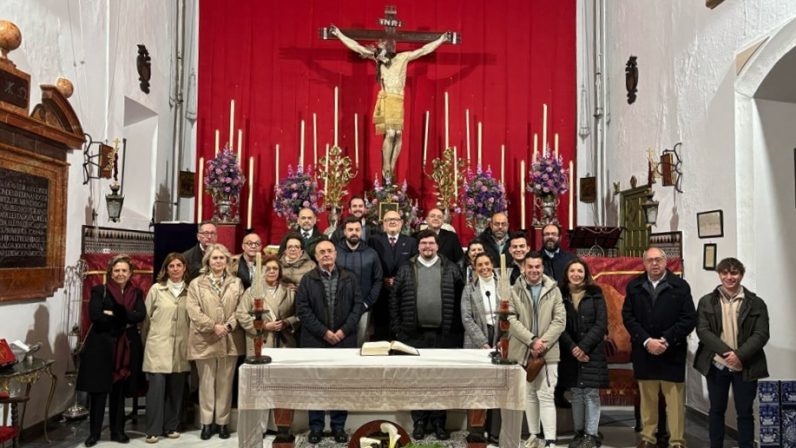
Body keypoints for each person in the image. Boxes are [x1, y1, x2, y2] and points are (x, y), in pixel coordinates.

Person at [329, 25, 450, 179]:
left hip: (399, 100)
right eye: (381, 45)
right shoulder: (378, 59)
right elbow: (357, 47)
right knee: (391, 134)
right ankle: (386, 165)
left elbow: (424, 50)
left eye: (384, 45)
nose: (382, 47)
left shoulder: (403, 57)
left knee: (399, 134)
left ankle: (392, 166)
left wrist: (441, 39)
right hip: (387, 99)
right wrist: (339, 34)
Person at [391, 229, 464, 441]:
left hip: (443, 336)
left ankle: (440, 422)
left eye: (431, 243)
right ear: (418, 246)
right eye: (423, 244)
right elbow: (394, 301)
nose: (427, 247)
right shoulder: (406, 268)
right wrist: (398, 329)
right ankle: (420, 421)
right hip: (414, 336)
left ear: (437, 245)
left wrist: (455, 333)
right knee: (418, 381)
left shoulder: (450, 268)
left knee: (441, 381)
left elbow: (461, 301)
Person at [622, 247, 696, 448]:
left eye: (658, 260)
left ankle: (677, 441)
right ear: (644, 263)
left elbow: (689, 319)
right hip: (644, 351)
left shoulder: (680, 286)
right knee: (647, 400)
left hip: (671, 351)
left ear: (665, 262)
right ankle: (648, 437)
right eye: (650, 260)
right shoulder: (634, 286)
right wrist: (647, 341)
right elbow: (628, 317)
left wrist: (665, 340)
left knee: (675, 402)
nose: (654, 264)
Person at [694, 257, 769, 448]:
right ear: (719, 274)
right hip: (717, 364)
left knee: (745, 413)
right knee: (716, 410)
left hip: (746, 365)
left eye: (734, 273)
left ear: (741, 275)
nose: (729, 277)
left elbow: (761, 334)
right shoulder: (706, 301)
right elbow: (703, 332)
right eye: (725, 273)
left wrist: (740, 356)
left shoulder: (756, 303)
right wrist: (729, 354)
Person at [295, 239, 364, 444]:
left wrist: (342, 332)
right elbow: (303, 310)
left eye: (329, 251)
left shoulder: (350, 277)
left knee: (340, 385)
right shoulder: (308, 279)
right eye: (321, 252)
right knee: (315, 385)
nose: (326, 254)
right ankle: (316, 426)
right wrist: (324, 332)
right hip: (315, 341)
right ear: (315, 256)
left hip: (344, 341)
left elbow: (357, 306)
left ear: (336, 254)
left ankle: (338, 426)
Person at [77, 254, 146, 447]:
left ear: (130, 273)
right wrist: (124, 316)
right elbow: (95, 316)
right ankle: (94, 434)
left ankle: (118, 432)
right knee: (99, 392)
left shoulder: (137, 293)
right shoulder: (100, 290)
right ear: (110, 272)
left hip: (126, 348)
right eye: (117, 270)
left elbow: (140, 315)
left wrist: (114, 313)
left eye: (124, 270)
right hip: (102, 346)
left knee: (119, 390)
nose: (120, 273)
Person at [186, 243, 245, 441]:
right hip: (205, 339)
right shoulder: (196, 283)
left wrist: (228, 326)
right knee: (206, 382)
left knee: (225, 383)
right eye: (214, 258)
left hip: (229, 339)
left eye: (221, 258)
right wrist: (214, 326)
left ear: (227, 261)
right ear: (207, 261)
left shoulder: (236, 283)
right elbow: (193, 311)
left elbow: (241, 309)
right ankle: (206, 423)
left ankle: (222, 423)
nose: (218, 261)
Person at [507, 251, 566, 448]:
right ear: (523, 268)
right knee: (529, 395)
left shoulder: (553, 290)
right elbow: (511, 318)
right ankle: (534, 435)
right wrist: (531, 341)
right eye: (530, 266)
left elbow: (560, 320)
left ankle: (550, 440)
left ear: (542, 268)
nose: (534, 270)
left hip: (547, 353)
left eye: (537, 267)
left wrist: (543, 343)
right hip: (523, 350)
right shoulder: (514, 290)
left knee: (546, 395)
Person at [557, 258, 608, 448]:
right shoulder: (560, 294)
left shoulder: (596, 293)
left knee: (591, 394)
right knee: (576, 393)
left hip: (592, 350)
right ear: (567, 274)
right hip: (570, 351)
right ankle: (578, 433)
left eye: (580, 271)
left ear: (586, 274)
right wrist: (573, 348)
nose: (576, 274)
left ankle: (591, 435)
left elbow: (601, 323)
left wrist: (583, 347)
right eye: (572, 271)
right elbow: (559, 325)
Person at [142, 253, 191, 444]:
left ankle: (171, 425)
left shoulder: (190, 290)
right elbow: (146, 320)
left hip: (180, 346)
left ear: (185, 268)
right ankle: (152, 430)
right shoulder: (157, 289)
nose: (176, 269)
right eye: (172, 266)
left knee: (176, 389)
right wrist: (147, 343)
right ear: (166, 269)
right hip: (158, 346)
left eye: (179, 265)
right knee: (156, 389)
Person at [335, 216, 383, 346]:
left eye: (357, 229)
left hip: (364, 308)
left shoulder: (371, 253)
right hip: (338, 307)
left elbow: (378, 280)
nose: (354, 232)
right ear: (344, 232)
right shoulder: (334, 252)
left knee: (361, 342)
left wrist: (367, 303)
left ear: (361, 232)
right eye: (350, 229)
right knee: (340, 342)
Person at [369, 210, 417, 340]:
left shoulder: (411, 242)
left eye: (395, 219)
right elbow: (370, 264)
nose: (392, 222)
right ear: (383, 224)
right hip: (380, 293)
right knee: (381, 332)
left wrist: (399, 280)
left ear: (401, 223)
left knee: (401, 332)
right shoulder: (373, 241)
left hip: (403, 294)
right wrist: (382, 279)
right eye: (388, 219)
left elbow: (414, 266)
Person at [237, 254, 299, 351]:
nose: (271, 271)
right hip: (261, 341)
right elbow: (241, 314)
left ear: (279, 272)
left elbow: (299, 315)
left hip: (284, 342)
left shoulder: (289, 291)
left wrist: (287, 323)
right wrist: (263, 325)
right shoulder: (252, 291)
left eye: (275, 268)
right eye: (268, 268)